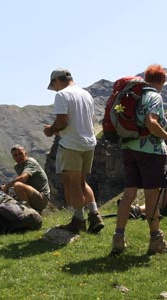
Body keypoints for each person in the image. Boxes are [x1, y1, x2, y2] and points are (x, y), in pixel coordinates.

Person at [111, 64, 167, 255]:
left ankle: (118, 238)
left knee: (129, 194)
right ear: (162, 81)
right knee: (152, 196)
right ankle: (156, 240)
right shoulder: (154, 96)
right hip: (150, 152)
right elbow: (151, 123)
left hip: (128, 148)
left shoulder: (133, 95)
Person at [43, 68, 104, 234]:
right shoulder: (86, 95)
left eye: (53, 85)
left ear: (57, 80)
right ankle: (94, 215)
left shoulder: (62, 95)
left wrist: (50, 129)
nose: (54, 89)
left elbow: (63, 121)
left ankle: (78, 221)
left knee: (73, 183)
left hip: (72, 144)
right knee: (82, 182)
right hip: (89, 143)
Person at [1, 144, 51, 212]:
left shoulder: (30, 162)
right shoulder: (17, 166)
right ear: (13, 157)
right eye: (16, 155)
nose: (19, 157)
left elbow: (22, 179)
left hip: (41, 198)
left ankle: (28, 212)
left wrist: (7, 186)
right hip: (31, 194)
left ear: (26, 154)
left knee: (18, 185)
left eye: (20, 154)